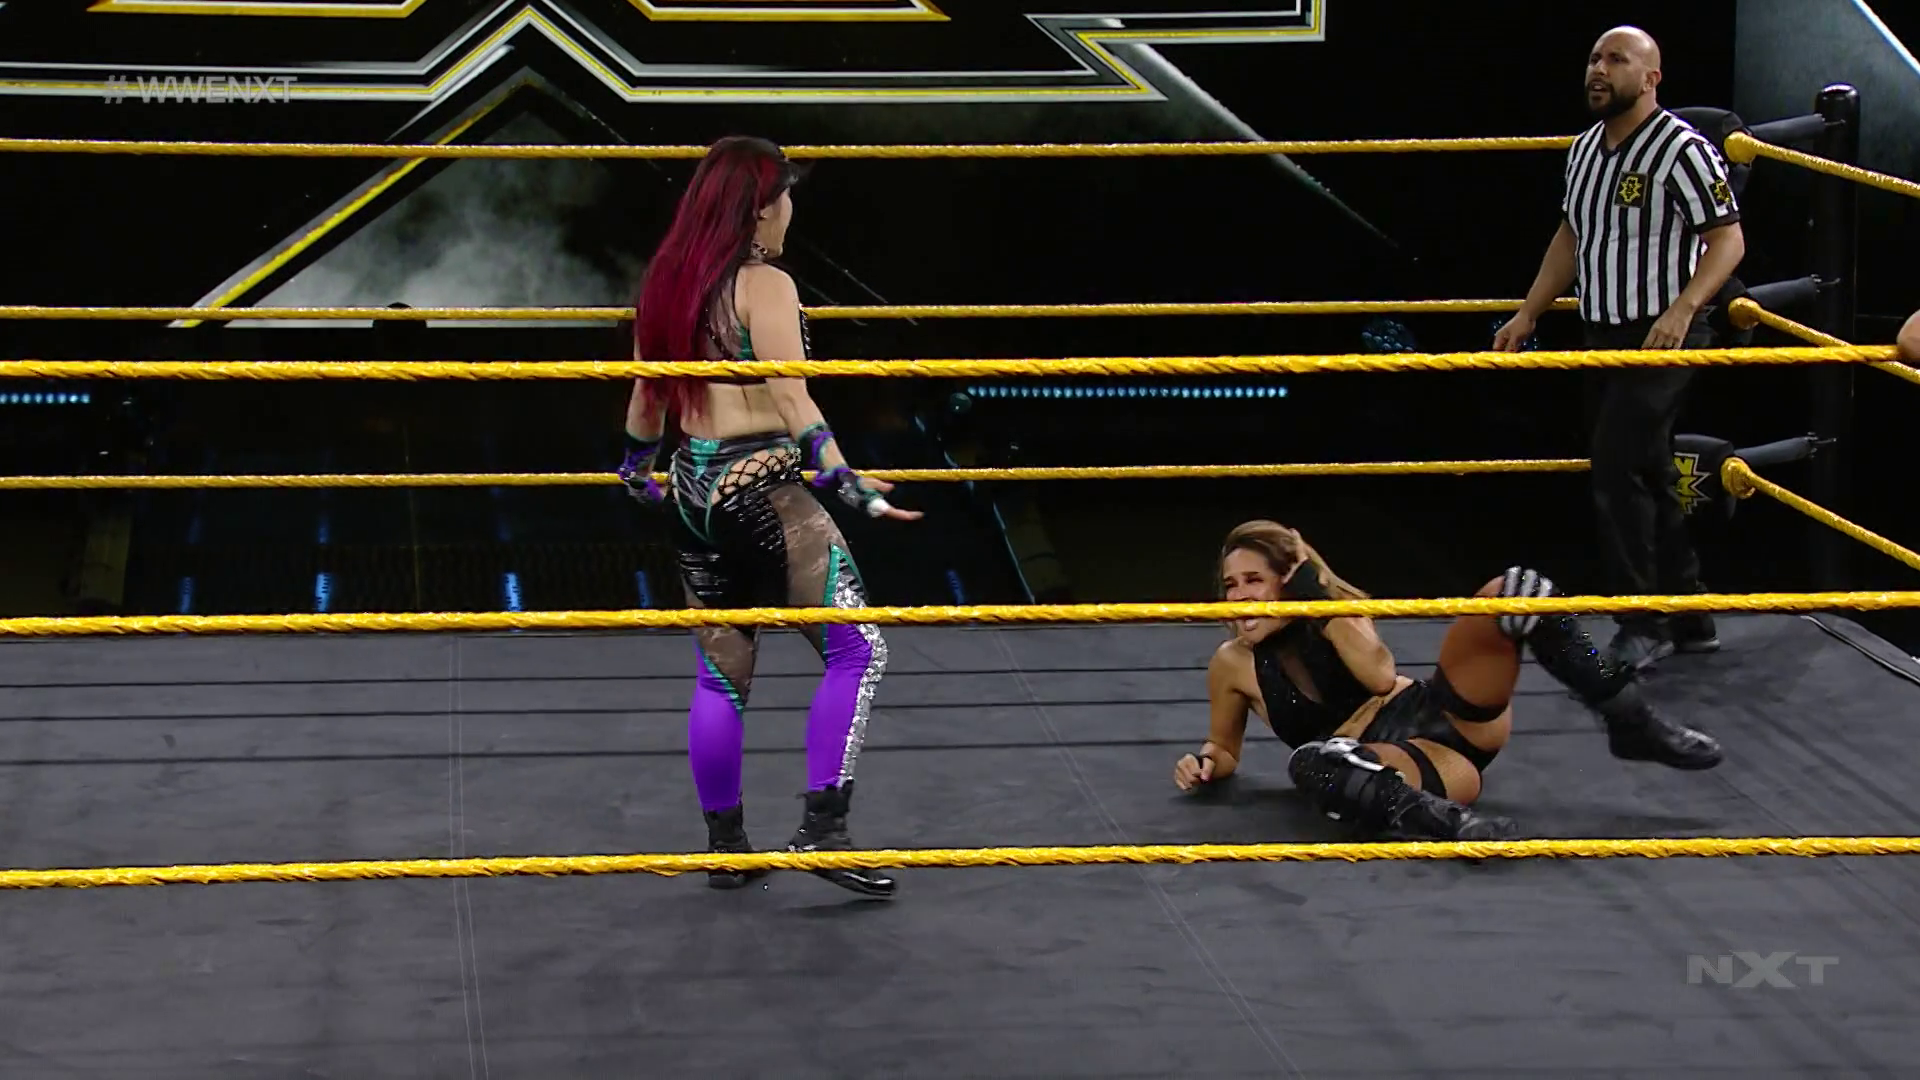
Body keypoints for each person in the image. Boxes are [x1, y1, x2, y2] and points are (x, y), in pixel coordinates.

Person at [617, 136, 922, 896]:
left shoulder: (666, 283)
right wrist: (847, 482)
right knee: (858, 651)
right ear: (758, 208)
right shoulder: (766, 284)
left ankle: (727, 848)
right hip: (763, 491)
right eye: (785, 197)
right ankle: (824, 830)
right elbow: (791, 396)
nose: (791, 212)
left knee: (721, 677)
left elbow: (647, 402)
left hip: (692, 494)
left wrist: (636, 475)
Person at [1173, 521, 1723, 841]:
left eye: (1254, 580)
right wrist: (1204, 763)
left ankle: (1630, 718)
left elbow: (1380, 677)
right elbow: (1224, 747)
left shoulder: (1336, 614)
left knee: (1518, 588)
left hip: (1440, 712)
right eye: (1231, 585)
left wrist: (1318, 602)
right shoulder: (1231, 664)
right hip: (1408, 762)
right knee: (1313, 761)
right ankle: (1451, 824)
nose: (1240, 596)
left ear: (1286, 584)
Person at [1494, 26, 1746, 673]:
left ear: (1651, 78)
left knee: (1615, 465)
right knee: (1647, 471)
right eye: (1594, 59)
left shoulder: (1682, 149)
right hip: (1602, 333)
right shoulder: (1583, 150)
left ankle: (1642, 620)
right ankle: (1689, 611)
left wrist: (1683, 308)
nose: (1599, 70)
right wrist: (1529, 311)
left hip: (1665, 334)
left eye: (1616, 59)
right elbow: (1570, 237)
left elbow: (1728, 240)